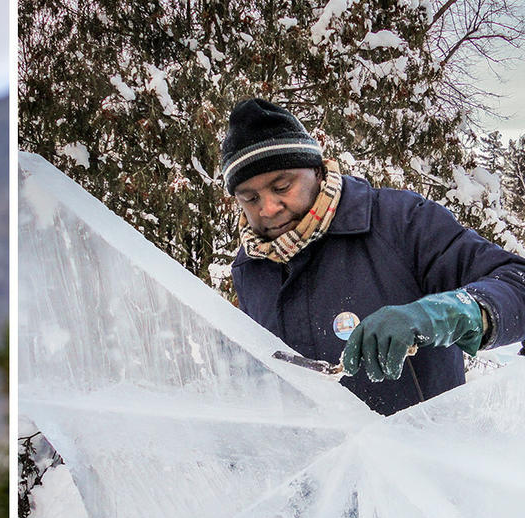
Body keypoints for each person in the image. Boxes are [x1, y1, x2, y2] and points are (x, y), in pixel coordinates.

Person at [222, 97, 525, 416]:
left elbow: (518, 285)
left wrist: (442, 314)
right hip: (320, 463)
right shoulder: (250, 268)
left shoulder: (400, 221)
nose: (267, 208)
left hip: (422, 457)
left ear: (316, 169)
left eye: (282, 186)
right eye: (250, 197)